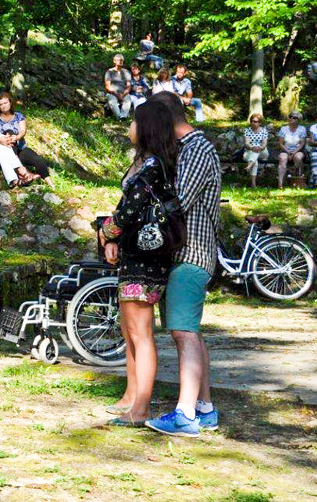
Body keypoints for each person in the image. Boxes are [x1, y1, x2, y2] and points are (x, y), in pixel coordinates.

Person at [144, 91, 221, 438]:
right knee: (191, 331)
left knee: (183, 333)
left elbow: (176, 201)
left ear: (164, 117)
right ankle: (204, 408)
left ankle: (185, 414)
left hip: (192, 254)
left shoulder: (196, 149)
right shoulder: (190, 149)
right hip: (188, 254)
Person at [100, 100, 179, 427]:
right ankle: (132, 396)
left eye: (133, 122)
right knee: (130, 330)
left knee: (140, 332)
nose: (128, 127)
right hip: (134, 256)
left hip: (146, 260)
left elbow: (129, 210)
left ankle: (141, 408)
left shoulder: (152, 167)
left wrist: (107, 232)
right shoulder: (145, 163)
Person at [0, 91, 54, 187]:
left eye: (5, 103)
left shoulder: (18, 116)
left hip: (20, 149)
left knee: (36, 159)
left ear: (10, 102)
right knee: (8, 132)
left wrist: (17, 137)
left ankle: (51, 184)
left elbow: (22, 131)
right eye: (1, 104)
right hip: (6, 152)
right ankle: (24, 174)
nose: (3, 105)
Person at [276, 111, 307, 188]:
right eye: (290, 116)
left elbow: (302, 143)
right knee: (282, 158)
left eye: (294, 117)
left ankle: (296, 180)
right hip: (285, 150)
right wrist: (288, 152)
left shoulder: (302, 129)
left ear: (299, 120)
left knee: (298, 157)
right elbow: (280, 143)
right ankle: (280, 184)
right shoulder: (283, 129)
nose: (291, 118)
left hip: (298, 150)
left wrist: (294, 152)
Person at [242, 113, 268, 188]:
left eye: (255, 121)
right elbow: (247, 144)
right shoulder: (247, 130)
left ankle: (249, 167)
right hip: (249, 151)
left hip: (262, 152)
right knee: (255, 162)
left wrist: (259, 148)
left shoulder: (264, 131)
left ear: (260, 123)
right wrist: (252, 148)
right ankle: (253, 185)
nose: (253, 123)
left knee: (256, 152)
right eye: (252, 121)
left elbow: (264, 144)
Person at [104, 54, 132, 120]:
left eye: (122, 60)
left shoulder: (126, 72)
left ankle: (123, 116)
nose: (120, 61)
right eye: (118, 60)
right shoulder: (109, 72)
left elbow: (128, 86)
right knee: (112, 102)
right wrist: (116, 94)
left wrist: (123, 94)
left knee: (128, 99)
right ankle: (119, 117)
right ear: (114, 61)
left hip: (124, 93)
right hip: (112, 93)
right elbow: (108, 86)